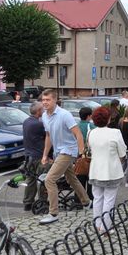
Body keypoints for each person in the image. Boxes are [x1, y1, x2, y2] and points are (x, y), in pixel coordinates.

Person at [39, 89, 92, 225]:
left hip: (68, 151)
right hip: (58, 152)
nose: (45, 102)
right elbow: (49, 136)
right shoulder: (44, 116)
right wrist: (45, 154)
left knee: (49, 180)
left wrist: (81, 153)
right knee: (71, 179)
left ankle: (53, 213)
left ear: (55, 100)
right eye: (43, 100)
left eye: (48, 100)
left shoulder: (64, 115)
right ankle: (87, 202)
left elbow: (78, 134)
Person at [87, 107, 127, 233]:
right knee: (109, 200)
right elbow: (122, 152)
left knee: (97, 198)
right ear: (109, 119)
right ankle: (105, 227)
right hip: (111, 171)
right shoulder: (115, 133)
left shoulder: (91, 133)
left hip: (95, 170)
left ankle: (98, 224)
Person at [22, 101, 46, 211]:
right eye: (42, 109)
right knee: (42, 180)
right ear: (38, 111)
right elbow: (48, 138)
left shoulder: (26, 122)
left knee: (30, 180)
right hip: (38, 156)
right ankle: (42, 202)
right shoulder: (38, 124)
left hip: (28, 156)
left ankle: (27, 202)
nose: (44, 110)